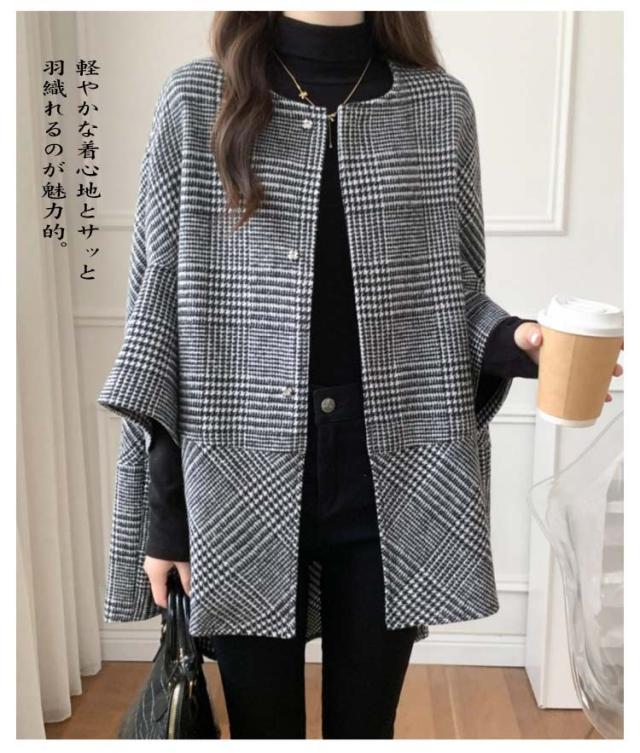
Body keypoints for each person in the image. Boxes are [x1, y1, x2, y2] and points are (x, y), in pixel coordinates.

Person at [98, 10, 623, 740]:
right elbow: (157, 316)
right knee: (262, 728)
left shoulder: (439, 106)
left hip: (391, 480)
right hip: (233, 478)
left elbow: (453, 296)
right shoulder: (196, 98)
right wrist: (167, 518)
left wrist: (518, 341)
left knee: (366, 727)